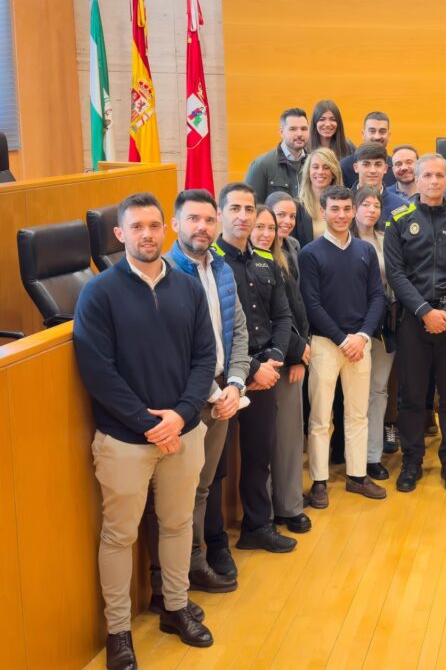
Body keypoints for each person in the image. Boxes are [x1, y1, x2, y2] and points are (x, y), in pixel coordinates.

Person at [73, 193, 216, 667]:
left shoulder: (188, 287)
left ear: (166, 229)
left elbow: (205, 357)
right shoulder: (98, 292)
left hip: (184, 433)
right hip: (124, 441)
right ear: (120, 234)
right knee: (119, 536)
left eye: (154, 225)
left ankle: (175, 607)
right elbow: (98, 373)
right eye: (136, 227)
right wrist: (149, 424)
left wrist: (181, 415)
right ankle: (118, 631)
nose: (147, 235)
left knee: (177, 525)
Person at [147, 190, 249, 605]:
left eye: (209, 220)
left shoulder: (221, 268)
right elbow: (173, 348)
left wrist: (236, 384)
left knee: (202, 488)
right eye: (193, 219)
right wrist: (213, 390)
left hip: (223, 394)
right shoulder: (165, 273)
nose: (202, 227)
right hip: (186, 400)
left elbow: (238, 331)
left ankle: (193, 565)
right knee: (175, 496)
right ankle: (167, 585)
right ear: (175, 225)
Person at [384, 154, 446, 492]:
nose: (434, 181)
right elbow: (395, 273)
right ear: (417, 179)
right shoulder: (399, 220)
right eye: (428, 175)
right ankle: (412, 461)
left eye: (440, 175)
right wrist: (425, 311)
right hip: (413, 320)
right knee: (411, 396)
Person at [213, 183, 297, 554]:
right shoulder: (211, 262)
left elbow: (282, 315)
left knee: (258, 454)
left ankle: (256, 526)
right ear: (221, 214)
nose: (243, 216)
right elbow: (214, 330)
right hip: (223, 378)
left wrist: (274, 358)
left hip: (266, 375)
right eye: (235, 208)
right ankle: (214, 543)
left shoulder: (265, 261)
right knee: (215, 466)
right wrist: (253, 368)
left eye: (249, 209)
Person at [300, 185, 388, 505]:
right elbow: (312, 305)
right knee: (321, 417)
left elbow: (377, 297)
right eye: (334, 209)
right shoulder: (310, 253)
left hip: (359, 344)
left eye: (346, 209)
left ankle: (357, 476)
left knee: (358, 414)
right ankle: (319, 481)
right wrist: (341, 339)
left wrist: (362, 336)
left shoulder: (365, 251)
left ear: (353, 211)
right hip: (326, 344)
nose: (341, 215)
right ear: (322, 212)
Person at [250, 205, 312, 534]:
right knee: (264, 443)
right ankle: (270, 511)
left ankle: (289, 505)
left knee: (288, 437)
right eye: (259, 227)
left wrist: (299, 352)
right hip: (260, 363)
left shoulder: (286, 254)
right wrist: (295, 350)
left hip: (288, 357)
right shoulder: (241, 264)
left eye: (270, 228)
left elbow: (292, 311)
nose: (267, 233)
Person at [353, 186, 397, 480]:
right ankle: (350, 453)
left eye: (376, 205)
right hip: (352, 327)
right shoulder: (343, 240)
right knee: (353, 393)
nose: (371, 210)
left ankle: (372, 455)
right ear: (354, 208)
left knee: (378, 388)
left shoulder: (386, 239)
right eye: (365, 205)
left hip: (384, 325)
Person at [244, 107, 309, 201]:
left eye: (304, 129)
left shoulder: (314, 164)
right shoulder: (261, 165)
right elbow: (250, 204)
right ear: (281, 132)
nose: (299, 134)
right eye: (293, 129)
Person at [294, 146, 341, 246]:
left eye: (326, 167)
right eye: (315, 167)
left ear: (333, 173)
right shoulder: (297, 206)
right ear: (308, 172)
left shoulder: (346, 203)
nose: (320, 172)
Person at [352, 141, 406, 224]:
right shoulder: (343, 202)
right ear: (356, 168)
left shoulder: (399, 206)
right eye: (366, 164)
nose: (372, 170)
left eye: (378, 165)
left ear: (385, 168)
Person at [340, 111, 395, 188]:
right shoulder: (344, 166)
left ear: (388, 135)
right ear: (363, 134)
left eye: (382, 132)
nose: (377, 137)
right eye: (372, 131)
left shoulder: (395, 167)